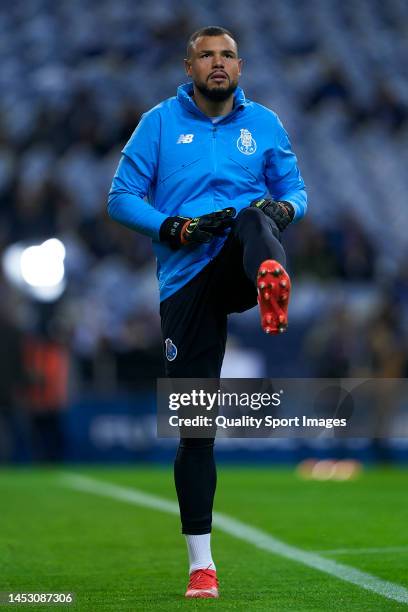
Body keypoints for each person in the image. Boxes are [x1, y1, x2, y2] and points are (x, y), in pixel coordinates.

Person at [108, 25, 307, 599]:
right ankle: (202, 566)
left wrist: (282, 212)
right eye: (206, 56)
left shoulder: (264, 123)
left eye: (227, 56)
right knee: (197, 429)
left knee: (253, 216)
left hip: (239, 263)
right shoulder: (159, 123)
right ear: (189, 67)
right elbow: (121, 197)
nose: (217, 64)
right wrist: (177, 226)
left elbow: (296, 190)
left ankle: (271, 277)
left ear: (240, 68)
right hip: (186, 278)